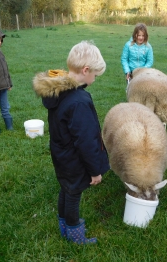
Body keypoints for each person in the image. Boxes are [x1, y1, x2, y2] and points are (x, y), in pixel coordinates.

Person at [32, 41, 110, 244]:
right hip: (75, 160)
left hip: (61, 155)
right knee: (74, 194)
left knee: (66, 189)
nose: (95, 78)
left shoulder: (57, 92)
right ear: (86, 70)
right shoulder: (79, 101)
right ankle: (75, 236)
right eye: (95, 74)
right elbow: (85, 141)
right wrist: (94, 170)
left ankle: (64, 225)